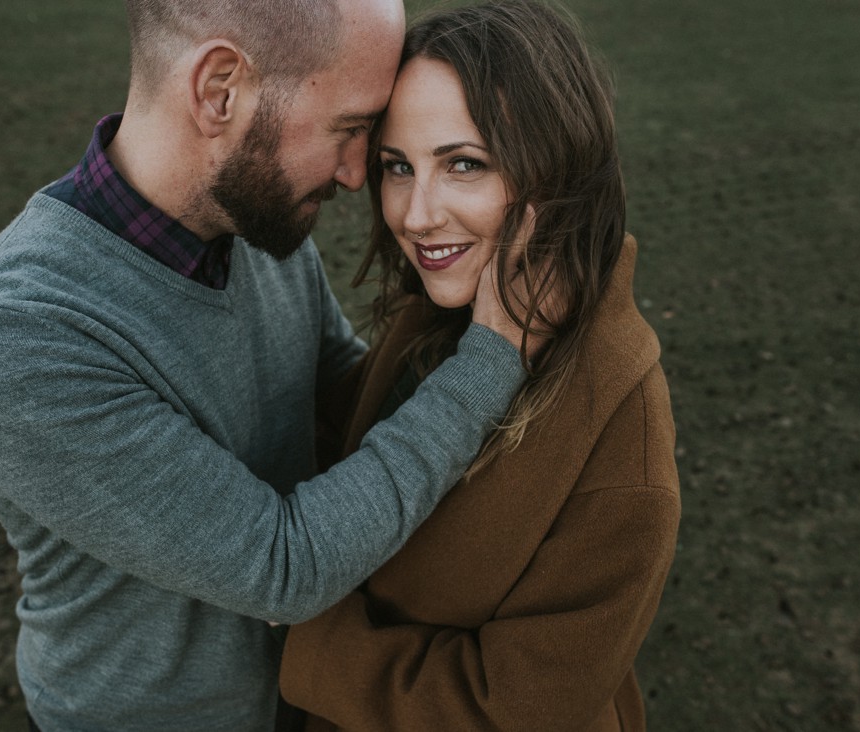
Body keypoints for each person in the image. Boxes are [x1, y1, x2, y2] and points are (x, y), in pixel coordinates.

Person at [0, 1, 547, 730]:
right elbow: (286, 568)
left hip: (306, 696)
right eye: (348, 130)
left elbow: (343, 398)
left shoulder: (252, 223)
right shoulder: (7, 338)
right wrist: (494, 356)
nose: (354, 175)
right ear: (219, 89)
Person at [279, 2, 682, 730]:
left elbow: (517, 709)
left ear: (556, 167)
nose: (416, 213)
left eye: (464, 164)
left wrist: (304, 640)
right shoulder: (440, 316)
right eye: (397, 167)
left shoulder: (622, 429)